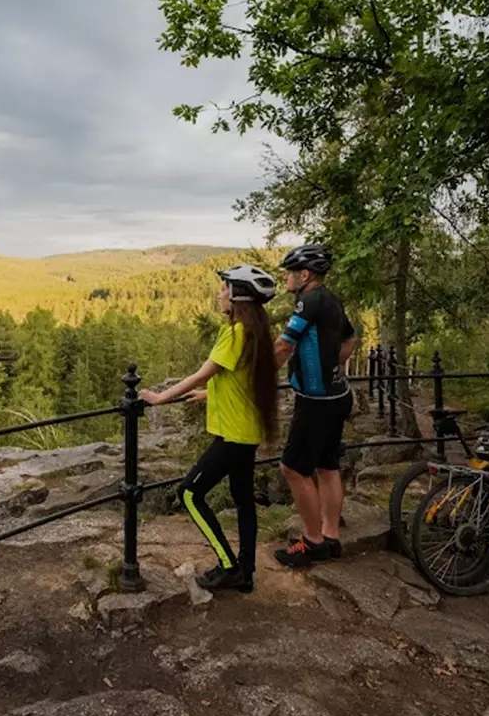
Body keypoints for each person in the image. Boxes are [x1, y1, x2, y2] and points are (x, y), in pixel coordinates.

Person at [139, 265, 279, 592]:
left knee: (188, 493)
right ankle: (246, 571)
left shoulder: (234, 333)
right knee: (243, 499)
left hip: (233, 435)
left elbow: (203, 372)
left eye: (224, 289)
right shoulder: (253, 331)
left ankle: (229, 566)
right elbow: (236, 380)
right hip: (246, 431)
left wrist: (160, 398)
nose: (219, 294)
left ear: (238, 297)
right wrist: (208, 394)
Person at [272, 243, 357, 567]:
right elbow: (350, 338)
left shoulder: (308, 301)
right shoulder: (331, 299)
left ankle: (312, 541)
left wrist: (254, 379)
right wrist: (331, 366)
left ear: (304, 275)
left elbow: (282, 346)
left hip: (316, 402)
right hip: (337, 396)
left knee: (292, 468)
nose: (286, 278)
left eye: (289, 273)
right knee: (327, 466)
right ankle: (331, 536)